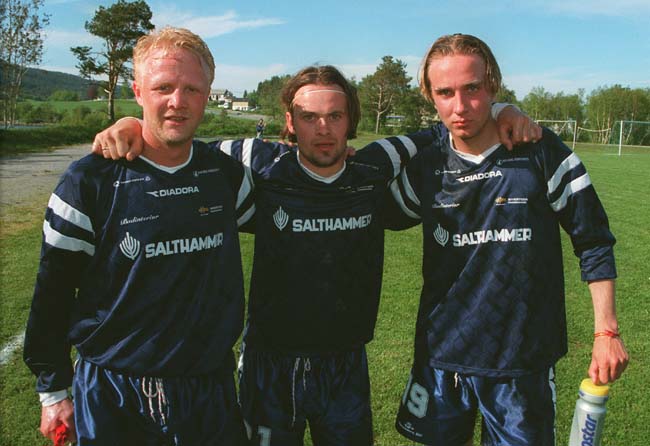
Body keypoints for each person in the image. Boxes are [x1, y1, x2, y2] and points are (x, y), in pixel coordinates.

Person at [93, 65, 540, 446]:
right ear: (290, 121)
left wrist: (502, 109)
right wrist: (133, 124)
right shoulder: (260, 162)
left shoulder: (373, 168)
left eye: (334, 116)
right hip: (270, 364)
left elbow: (443, 128)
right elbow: (182, 146)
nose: (322, 129)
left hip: (344, 364)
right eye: (309, 117)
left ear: (351, 122)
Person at [387, 34, 629, 446]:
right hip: (441, 358)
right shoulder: (425, 169)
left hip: (522, 362)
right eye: (445, 93)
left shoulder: (539, 152)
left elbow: (593, 239)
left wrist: (605, 331)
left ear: (493, 85)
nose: (460, 107)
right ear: (430, 95)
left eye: (473, 89)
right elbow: (374, 215)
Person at [23, 27, 252, 445]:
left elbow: (301, 176)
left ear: (208, 94)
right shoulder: (87, 181)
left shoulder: (226, 175)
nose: (177, 102)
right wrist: (54, 391)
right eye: (162, 87)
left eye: (191, 89)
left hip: (208, 391)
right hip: (113, 391)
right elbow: (52, 292)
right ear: (138, 90)